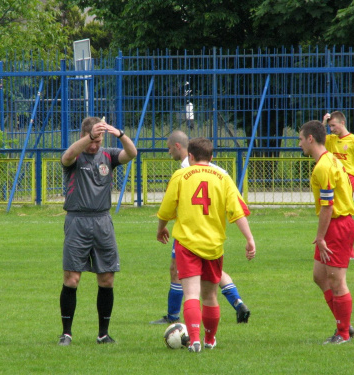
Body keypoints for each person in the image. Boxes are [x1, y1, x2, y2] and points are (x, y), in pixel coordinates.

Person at [156, 137, 256, 353]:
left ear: (190, 156)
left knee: (191, 294)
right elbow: (237, 212)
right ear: (211, 157)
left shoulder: (181, 175)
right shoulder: (223, 177)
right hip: (213, 245)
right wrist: (249, 239)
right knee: (210, 296)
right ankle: (210, 340)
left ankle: (194, 341)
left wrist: (161, 228)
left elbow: (166, 209)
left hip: (187, 243)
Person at [58, 116, 137, 346]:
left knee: (107, 278)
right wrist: (90, 136)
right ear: (84, 135)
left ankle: (103, 334)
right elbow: (67, 156)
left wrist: (119, 134)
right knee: (71, 278)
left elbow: (132, 153)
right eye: (92, 139)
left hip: (103, 221)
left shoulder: (108, 154)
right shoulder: (76, 154)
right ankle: (66, 333)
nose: (95, 145)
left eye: (99, 139)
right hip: (77, 221)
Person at [298, 120, 354, 344]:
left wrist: (321, 236)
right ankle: (344, 323)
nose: (300, 144)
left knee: (336, 280)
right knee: (319, 276)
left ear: (310, 139)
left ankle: (342, 333)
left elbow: (328, 205)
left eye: (301, 139)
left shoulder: (323, 166)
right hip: (336, 223)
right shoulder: (329, 158)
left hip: (338, 224)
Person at [322, 111, 354, 259]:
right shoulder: (330, 140)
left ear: (342, 123)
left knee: (343, 214)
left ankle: (349, 250)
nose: (331, 129)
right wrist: (323, 122)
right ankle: (334, 245)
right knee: (332, 212)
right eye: (329, 126)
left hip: (348, 179)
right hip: (332, 178)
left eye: (333, 126)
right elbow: (315, 138)